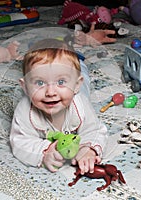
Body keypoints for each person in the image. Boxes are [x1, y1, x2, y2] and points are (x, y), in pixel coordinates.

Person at [9, 38, 108, 174]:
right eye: (39, 83)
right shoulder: (25, 110)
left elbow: (94, 130)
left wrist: (88, 149)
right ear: (25, 87)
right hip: (67, 90)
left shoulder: (80, 101)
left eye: (61, 81)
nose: (50, 92)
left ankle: (80, 62)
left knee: (83, 74)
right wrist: (43, 153)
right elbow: (19, 142)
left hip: (78, 91)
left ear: (76, 85)